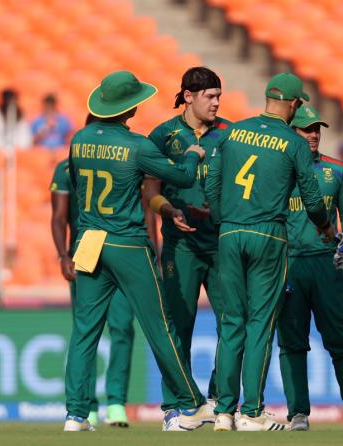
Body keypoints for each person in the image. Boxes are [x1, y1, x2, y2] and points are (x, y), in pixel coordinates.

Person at [63, 70, 213, 432]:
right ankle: (189, 404)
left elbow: (74, 185)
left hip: (88, 241)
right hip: (127, 242)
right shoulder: (137, 145)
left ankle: (76, 415)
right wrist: (192, 154)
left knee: (85, 332)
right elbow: (181, 178)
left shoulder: (79, 139)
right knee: (160, 325)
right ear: (130, 107)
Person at [205, 73, 334, 432]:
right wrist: (323, 223)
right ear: (294, 105)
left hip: (230, 232)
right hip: (269, 235)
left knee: (231, 324)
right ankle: (251, 411)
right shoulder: (292, 143)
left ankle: (223, 412)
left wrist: (222, 219)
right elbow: (311, 196)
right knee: (260, 324)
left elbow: (211, 182)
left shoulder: (232, 132)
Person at [276, 104, 343, 432]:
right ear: (293, 132)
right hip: (289, 263)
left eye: (317, 128)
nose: (314, 134)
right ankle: (298, 414)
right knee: (292, 341)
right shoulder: (277, 171)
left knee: (341, 339)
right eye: (307, 129)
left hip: (326, 264)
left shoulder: (335, 170)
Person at [144, 67, 231, 431]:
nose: (216, 103)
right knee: (178, 326)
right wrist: (168, 209)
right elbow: (150, 190)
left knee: (233, 323)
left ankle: (219, 402)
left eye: (218, 97)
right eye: (210, 96)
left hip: (221, 241)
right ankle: (175, 407)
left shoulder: (229, 134)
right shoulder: (163, 135)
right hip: (180, 244)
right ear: (188, 96)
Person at [50, 118, 135, 427]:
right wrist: (63, 255)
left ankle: (116, 403)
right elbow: (59, 217)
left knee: (123, 327)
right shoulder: (67, 168)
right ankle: (85, 406)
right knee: (87, 331)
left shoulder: (125, 158)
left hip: (123, 249)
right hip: (86, 249)